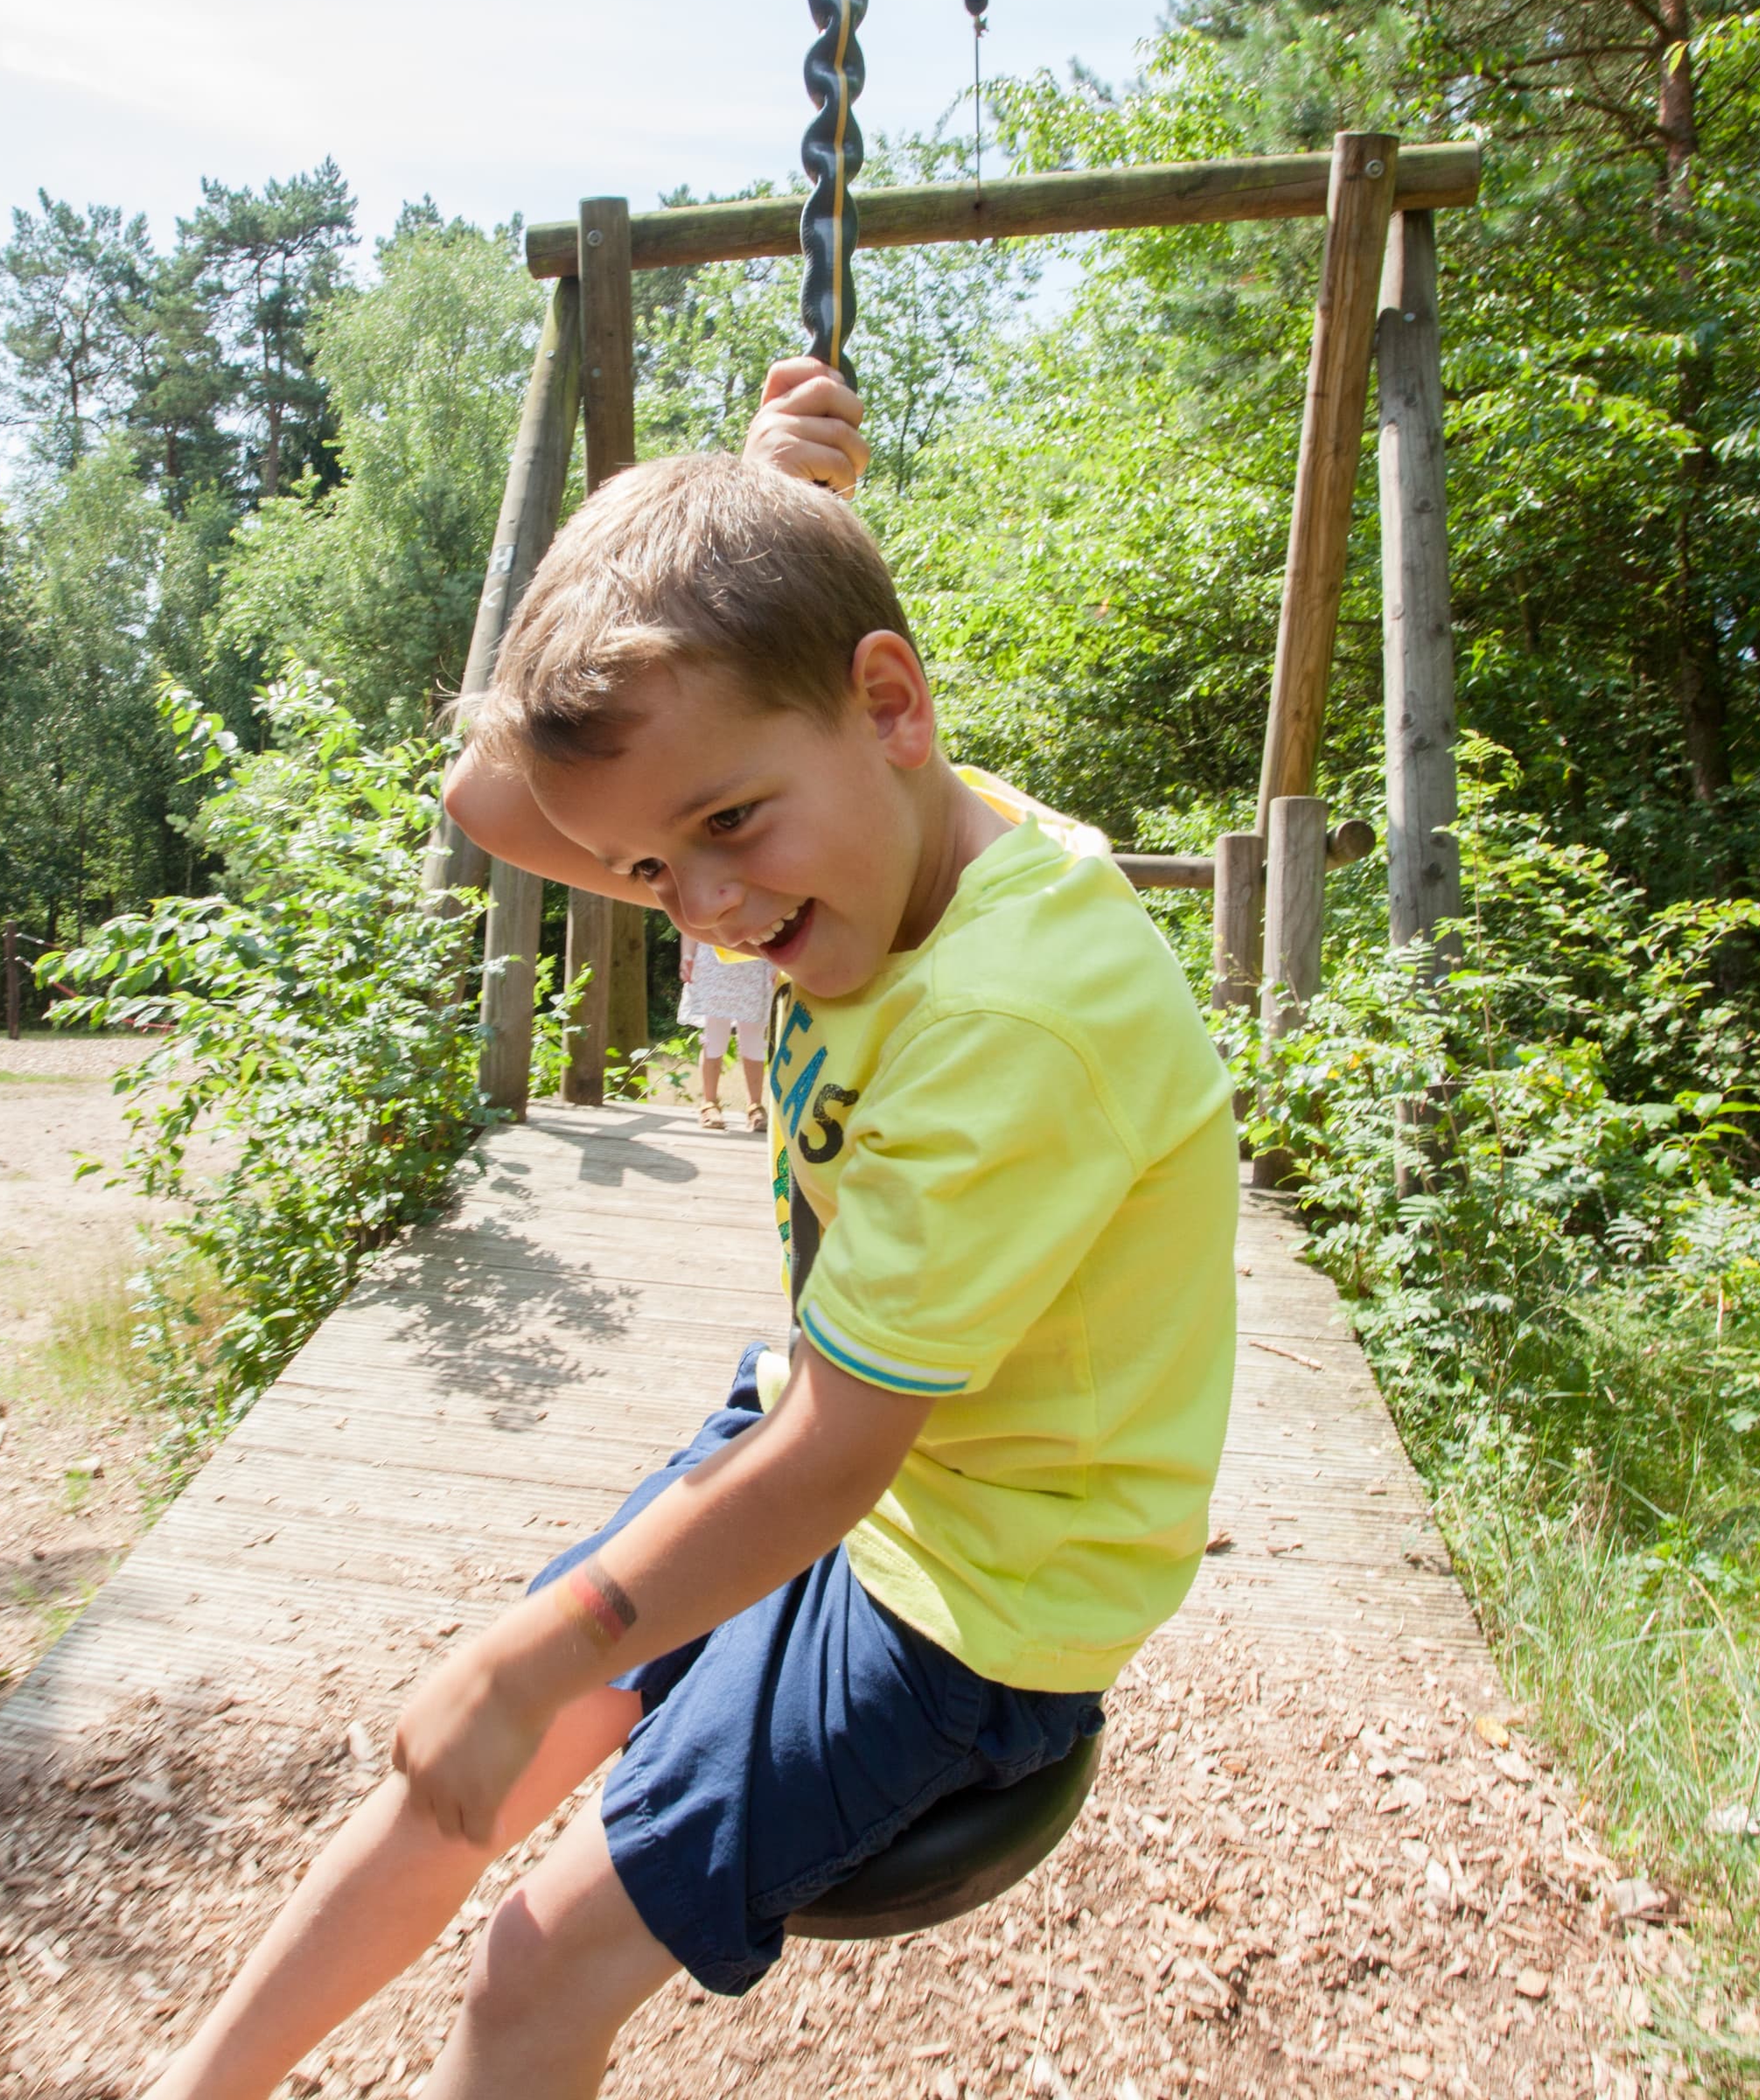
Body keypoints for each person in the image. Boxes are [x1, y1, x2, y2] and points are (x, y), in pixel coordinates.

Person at [142, 359, 1238, 2100]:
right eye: (654, 870)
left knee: (529, 1971)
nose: (710, 910)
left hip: (980, 1585)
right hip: (844, 1433)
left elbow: (834, 1460)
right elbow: (494, 804)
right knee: (459, 1775)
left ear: (896, 703)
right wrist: (742, 510)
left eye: (728, 828)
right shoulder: (853, 816)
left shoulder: (1019, 1013)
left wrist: (540, 1645)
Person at [674, 926, 772, 1131]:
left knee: (753, 1039)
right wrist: (687, 954)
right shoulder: (705, 892)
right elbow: (690, 919)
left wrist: (776, 962)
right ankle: (709, 1104)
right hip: (714, 964)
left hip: (754, 963)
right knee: (714, 1037)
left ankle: (755, 1106)